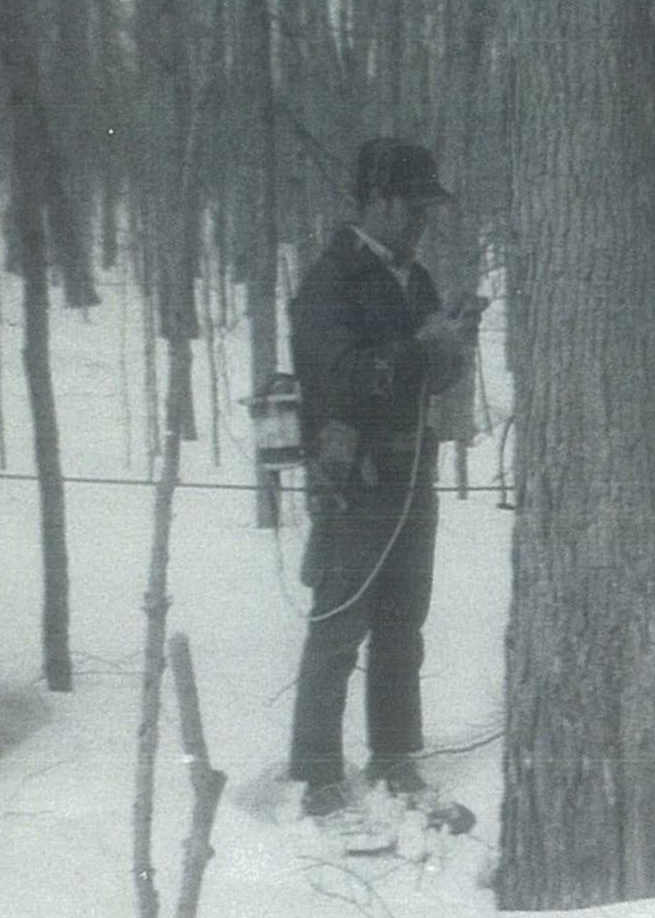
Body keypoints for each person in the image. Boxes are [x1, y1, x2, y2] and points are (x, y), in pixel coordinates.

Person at [287, 137, 480, 817]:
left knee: (404, 624)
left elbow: (431, 376)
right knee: (339, 624)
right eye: (414, 207)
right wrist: (416, 348)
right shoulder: (329, 282)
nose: (423, 222)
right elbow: (336, 375)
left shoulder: (415, 278)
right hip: (355, 477)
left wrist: (453, 342)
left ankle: (395, 758)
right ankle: (317, 776)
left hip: (411, 474)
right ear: (378, 201)